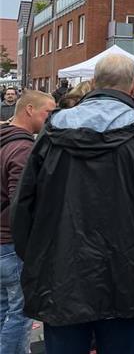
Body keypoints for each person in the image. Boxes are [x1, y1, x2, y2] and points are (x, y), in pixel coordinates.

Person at [12, 54, 134, 354]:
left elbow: (24, 202)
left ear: (93, 83)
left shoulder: (53, 131)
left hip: (62, 270)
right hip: (124, 268)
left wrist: (37, 255)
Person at [1, 90, 55, 354]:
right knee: (21, 313)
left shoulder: (4, 140)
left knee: (3, 308)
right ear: (30, 109)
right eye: (48, 112)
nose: (51, 118)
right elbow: (20, 204)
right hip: (11, 244)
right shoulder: (22, 149)